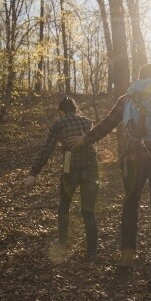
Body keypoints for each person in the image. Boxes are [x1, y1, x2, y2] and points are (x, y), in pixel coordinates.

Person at [69, 64, 151, 292]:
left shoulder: (127, 99)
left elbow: (107, 123)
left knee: (130, 204)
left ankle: (127, 255)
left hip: (133, 161)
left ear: (138, 78)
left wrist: (86, 139)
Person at [25, 97, 99, 259]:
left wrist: (33, 173)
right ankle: (92, 252)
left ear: (61, 111)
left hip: (70, 170)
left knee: (64, 206)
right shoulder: (87, 122)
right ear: (75, 109)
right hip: (91, 169)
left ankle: (63, 244)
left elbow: (47, 149)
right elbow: (94, 144)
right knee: (88, 212)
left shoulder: (59, 124)